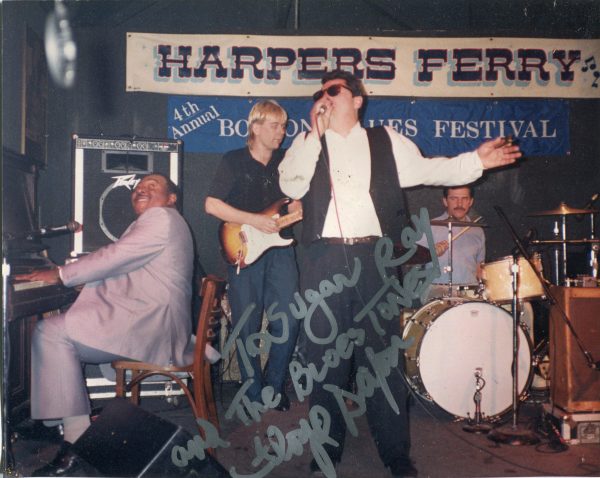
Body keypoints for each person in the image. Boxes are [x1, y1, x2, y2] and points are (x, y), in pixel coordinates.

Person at [278, 70, 521, 477]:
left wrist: (477, 160)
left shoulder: (386, 140)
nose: (326, 97)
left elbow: (433, 170)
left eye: (334, 91)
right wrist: (313, 134)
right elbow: (291, 181)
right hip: (324, 262)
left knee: (382, 362)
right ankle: (326, 453)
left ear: (357, 100)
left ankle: (396, 455)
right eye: (322, 93)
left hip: (374, 259)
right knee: (327, 364)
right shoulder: (307, 143)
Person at [16, 174, 194, 477]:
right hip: (151, 318)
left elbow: (118, 256)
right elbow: (126, 265)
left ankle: (75, 443)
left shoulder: (161, 218)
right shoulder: (164, 221)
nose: (143, 189)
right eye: (139, 187)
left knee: (52, 332)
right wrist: (80, 280)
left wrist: (61, 274)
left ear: (171, 198)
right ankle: (60, 424)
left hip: (152, 324)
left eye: (154, 186)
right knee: (63, 325)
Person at [205, 100, 300, 411]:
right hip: (244, 248)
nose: (282, 132)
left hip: (281, 250)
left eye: (284, 126)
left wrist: (299, 204)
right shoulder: (234, 160)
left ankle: (274, 387)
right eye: (275, 126)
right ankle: (253, 391)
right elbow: (211, 205)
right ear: (256, 127)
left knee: (287, 320)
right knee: (246, 323)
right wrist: (254, 219)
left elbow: (299, 197)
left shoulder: (288, 161)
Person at [419, 184, 485, 301]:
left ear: (470, 202)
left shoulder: (477, 230)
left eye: (464, 199)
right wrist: (429, 254)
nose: (459, 204)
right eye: (454, 199)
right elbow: (412, 261)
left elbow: (479, 268)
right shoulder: (431, 226)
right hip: (437, 289)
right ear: (445, 201)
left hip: (470, 291)